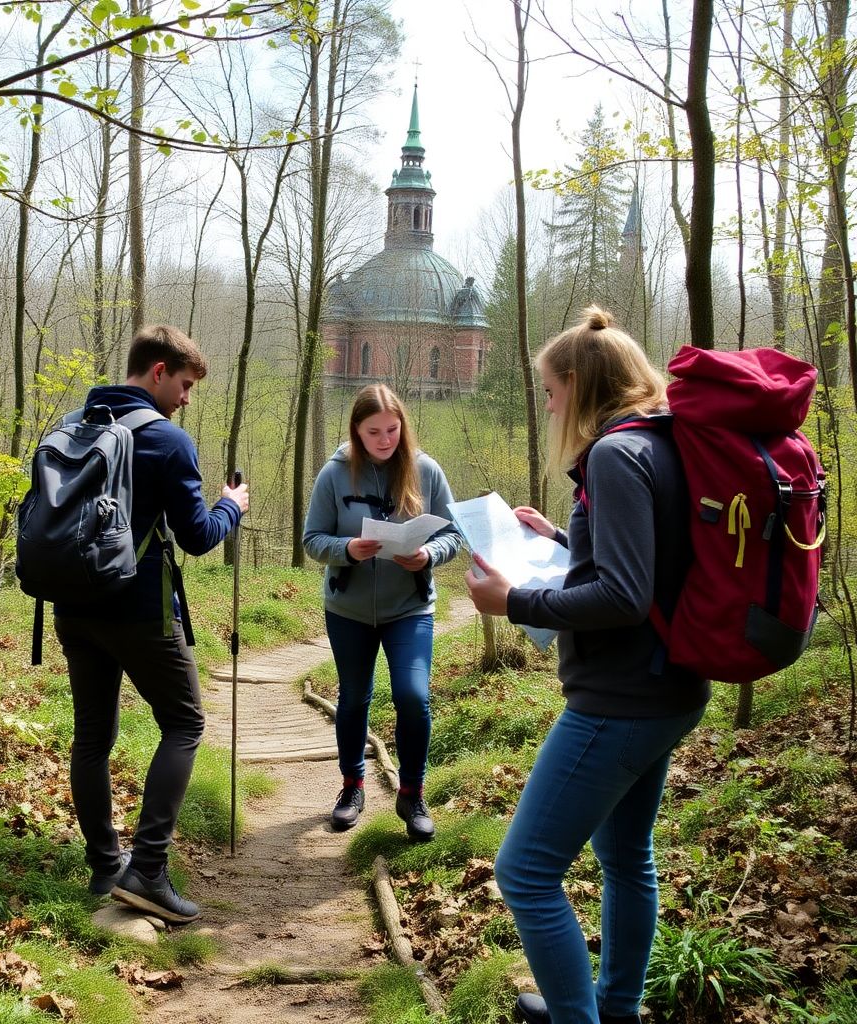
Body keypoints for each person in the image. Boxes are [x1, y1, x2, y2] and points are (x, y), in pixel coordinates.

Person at [465, 307, 710, 1024]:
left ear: (577, 383)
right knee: (626, 854)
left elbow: (627, 596)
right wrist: (561, 539)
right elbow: (645, 570)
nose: (547, 404)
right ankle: (617, 1008)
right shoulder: (661, 442)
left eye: (548, 390)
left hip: (619, 699)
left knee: (526, 871)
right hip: (668, 686)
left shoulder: (614, 454)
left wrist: (515, 601)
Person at [53, 324, 248, 925]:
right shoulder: (167, 441)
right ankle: (148, 871)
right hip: (139, 609)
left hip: (72, 605)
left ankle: (106, 865)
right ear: (158, 372)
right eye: (185, 384)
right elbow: (198, 536)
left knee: (92, 736)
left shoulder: (70, 426)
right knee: (185, 722)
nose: (188, 397)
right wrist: (231, 508)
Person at [304, 383, 462, 841]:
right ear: (356, 431)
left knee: (413, 696)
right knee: (354, 697)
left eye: (393, 430)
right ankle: (351, 787)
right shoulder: (334, 476)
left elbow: (455, 533)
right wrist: (348, 548)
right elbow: (312, 539)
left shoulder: (426, 471)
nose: (385, 439)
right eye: (374, 431)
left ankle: (411, 793)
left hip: (409, 607)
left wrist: (430, 554)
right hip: (348, 607)